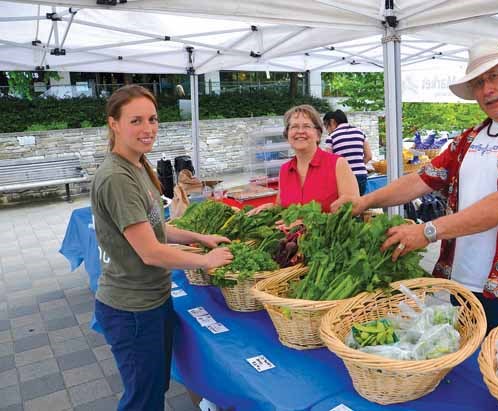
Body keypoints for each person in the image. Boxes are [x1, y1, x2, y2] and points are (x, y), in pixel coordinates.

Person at [332, 40, 498, 333]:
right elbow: (420, 180)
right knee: (468, 370)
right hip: (464, 282)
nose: (486, 89)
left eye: (494, 76)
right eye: (479, 83)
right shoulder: (470, 137)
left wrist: (427, 230)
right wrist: (364, 202)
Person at [91, 85, 233, 411]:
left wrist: (199, 238)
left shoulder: (139, 165)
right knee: (143, 399)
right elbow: (150, 251)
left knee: (152, 389)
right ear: (114, 123)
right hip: (133, 310)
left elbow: (156, 227)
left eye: (153, 119)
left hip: (150, 302)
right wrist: (205, 261)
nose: (148, 129)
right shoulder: (117, 177)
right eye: (136, 120)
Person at [249, 104, 359, 214]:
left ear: (318, 134)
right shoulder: (284, 170)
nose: (300, 131)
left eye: (306, 126)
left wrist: (308, 223)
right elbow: (283, 207)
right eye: (294, 127)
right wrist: (272, 207)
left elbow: (352, 209)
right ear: (287, 134)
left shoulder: (338, 164)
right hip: (291, 232)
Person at [323, 109, 373, 195]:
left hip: (343, 178)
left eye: (327, 126)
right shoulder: (360, 133)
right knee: (359, 204)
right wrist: (358, 165)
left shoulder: (331, 137)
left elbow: (328, 162)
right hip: (361, 175)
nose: (327, 130)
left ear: (332, 122)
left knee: (346, 206)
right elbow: (369, 156)